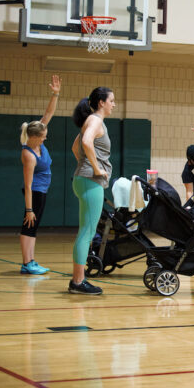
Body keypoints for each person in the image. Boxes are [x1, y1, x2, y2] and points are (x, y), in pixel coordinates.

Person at [69, 87, 115, 295]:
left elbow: (75, 146)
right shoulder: (95, 120)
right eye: (111, 101)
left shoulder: (93, 121)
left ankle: (78, 280)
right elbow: (86, 142)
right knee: (87, 232)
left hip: (84, 179)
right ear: (101, 103)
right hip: (90, 180)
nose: (114, 104)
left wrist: (85, 166)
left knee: (86, 231)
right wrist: (96, 169)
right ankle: (78, 282)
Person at [19, 75, 62, 275]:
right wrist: (29, 209)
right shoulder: (29, 155)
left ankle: (31, 261)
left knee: (33, 228)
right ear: (34, 137)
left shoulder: (38, 141)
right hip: (34, 192)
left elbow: (48, 113)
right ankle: (27, 263)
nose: (46, 138)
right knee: (29, 225)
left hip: (41, 190)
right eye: (43, 137)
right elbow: (27, 185)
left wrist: (55, 93)